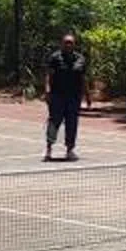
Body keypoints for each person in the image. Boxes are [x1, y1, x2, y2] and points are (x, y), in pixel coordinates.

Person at [43, 31, 88, 160]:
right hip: (57, 96)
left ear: (74, 45)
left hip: (74, 97)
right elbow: (48, 75)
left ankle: (70, 149)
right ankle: (49, 148)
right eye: (66, 43)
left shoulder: (80, 59)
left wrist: (87, 95)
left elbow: (83, 79)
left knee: (72, 123)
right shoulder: (55, 58)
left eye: (71, 43)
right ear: (62, 44)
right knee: (54, 122)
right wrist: (47, 91)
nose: (68, 45)